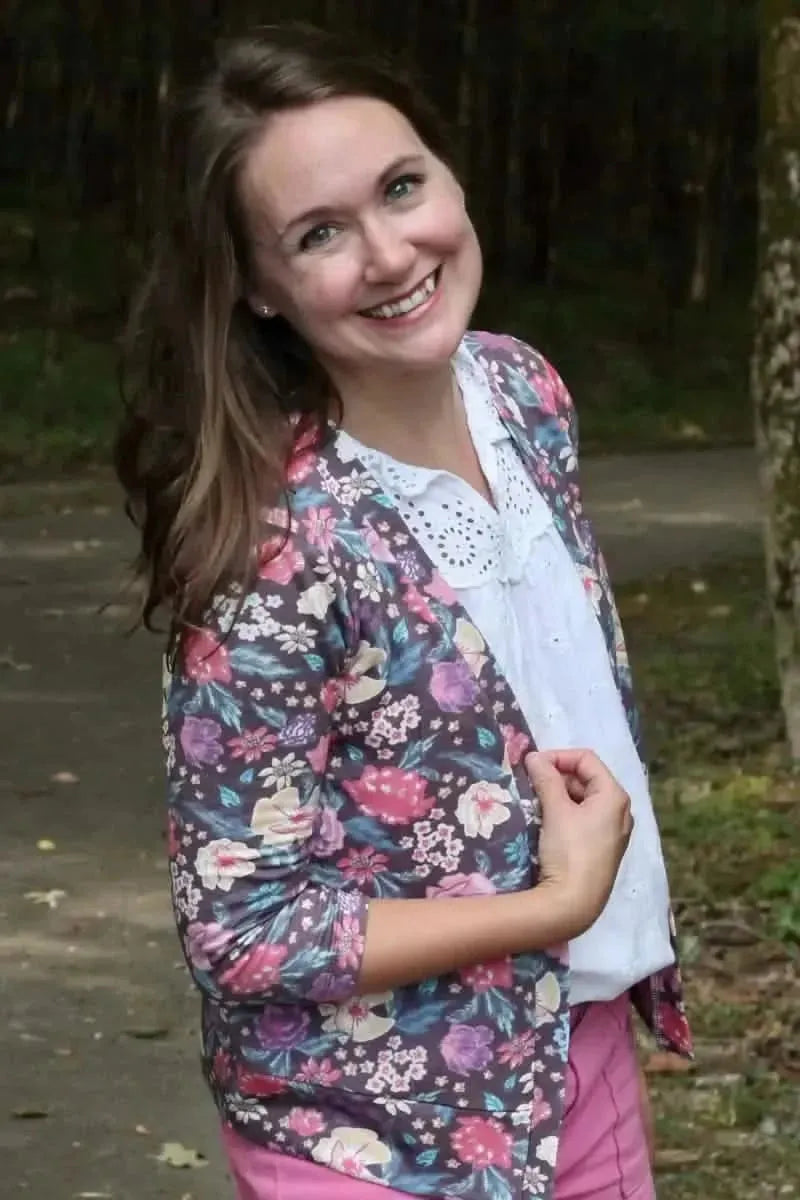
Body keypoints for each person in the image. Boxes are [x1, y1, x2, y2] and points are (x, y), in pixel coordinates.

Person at [115, 23, 692, 1200]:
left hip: (570, 1063)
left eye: (401, 187)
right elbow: (245, 928)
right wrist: (555, 903)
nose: (389, 254)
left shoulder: (522, 389)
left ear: (450, 171)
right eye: (319, 234)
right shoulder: (274, 547)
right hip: (371, 1136)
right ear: (261, 292)